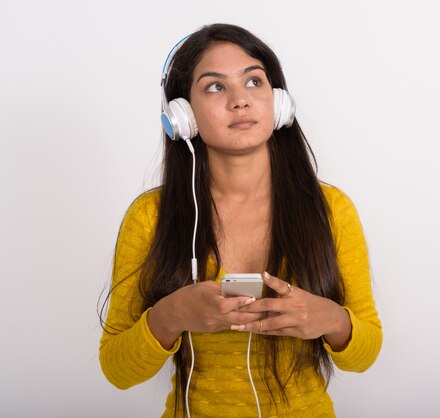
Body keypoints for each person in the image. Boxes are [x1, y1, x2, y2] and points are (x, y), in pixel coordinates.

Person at [99, 23, 382, 417]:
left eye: (254, 81)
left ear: (278, 102)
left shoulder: (331, 208)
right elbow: (116, 369)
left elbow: (365, 354)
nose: (240, 101)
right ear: (183, 115)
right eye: (215, 87)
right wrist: (171, 315)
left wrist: (330, 319)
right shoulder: (151, 217)